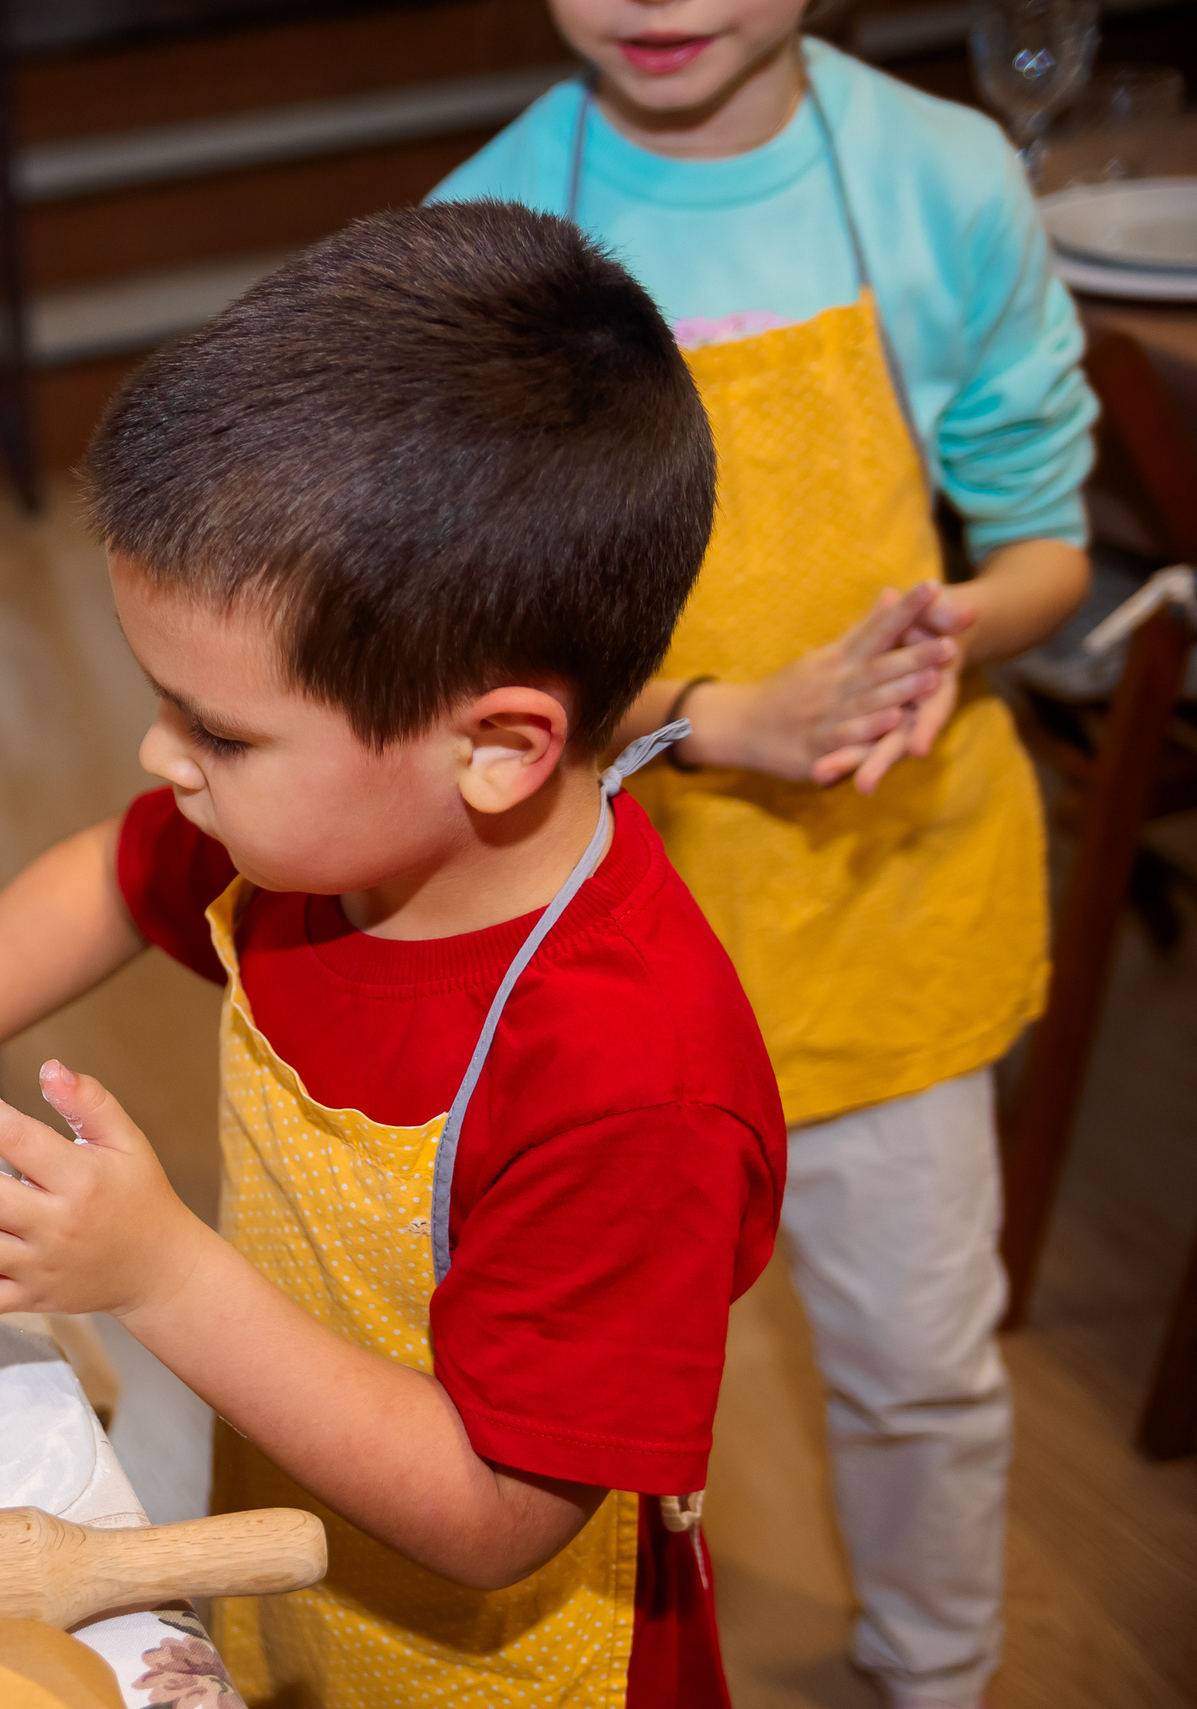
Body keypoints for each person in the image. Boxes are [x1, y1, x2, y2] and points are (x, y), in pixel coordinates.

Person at [0, 203, 787, 1708]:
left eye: (217, 729)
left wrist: (156, 1274)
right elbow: (105, 872)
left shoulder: (631, 1084)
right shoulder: (322, 845)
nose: (161, 756)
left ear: (495, 749)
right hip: (309, 1545)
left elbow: (498, 1515)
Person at [431, 6, 1095, 1704]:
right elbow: (457, 644)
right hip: (593, 947)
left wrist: (938, 638)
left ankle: (937, 1666)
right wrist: (720, 719)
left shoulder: (942, 177)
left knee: (918, 1364)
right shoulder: (486, 243)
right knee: (585, 1400)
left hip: (888, 899)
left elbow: (1042, 538)